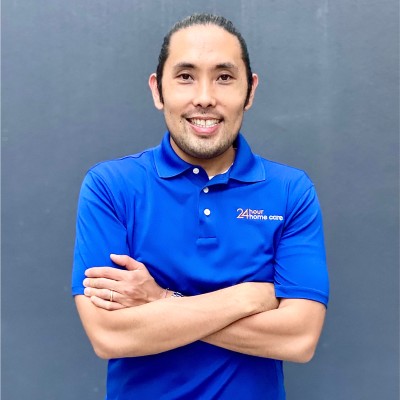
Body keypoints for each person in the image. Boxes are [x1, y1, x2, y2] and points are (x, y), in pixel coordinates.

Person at [72, 13, 329, 400]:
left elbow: (298, 339)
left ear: (250, 91)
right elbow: (110, 335)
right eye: (185, 76)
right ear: (158, 90)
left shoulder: (291, 191)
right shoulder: (111, 186)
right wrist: (247, 298)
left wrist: (160, 300)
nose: (205, 97)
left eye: (224, 77)